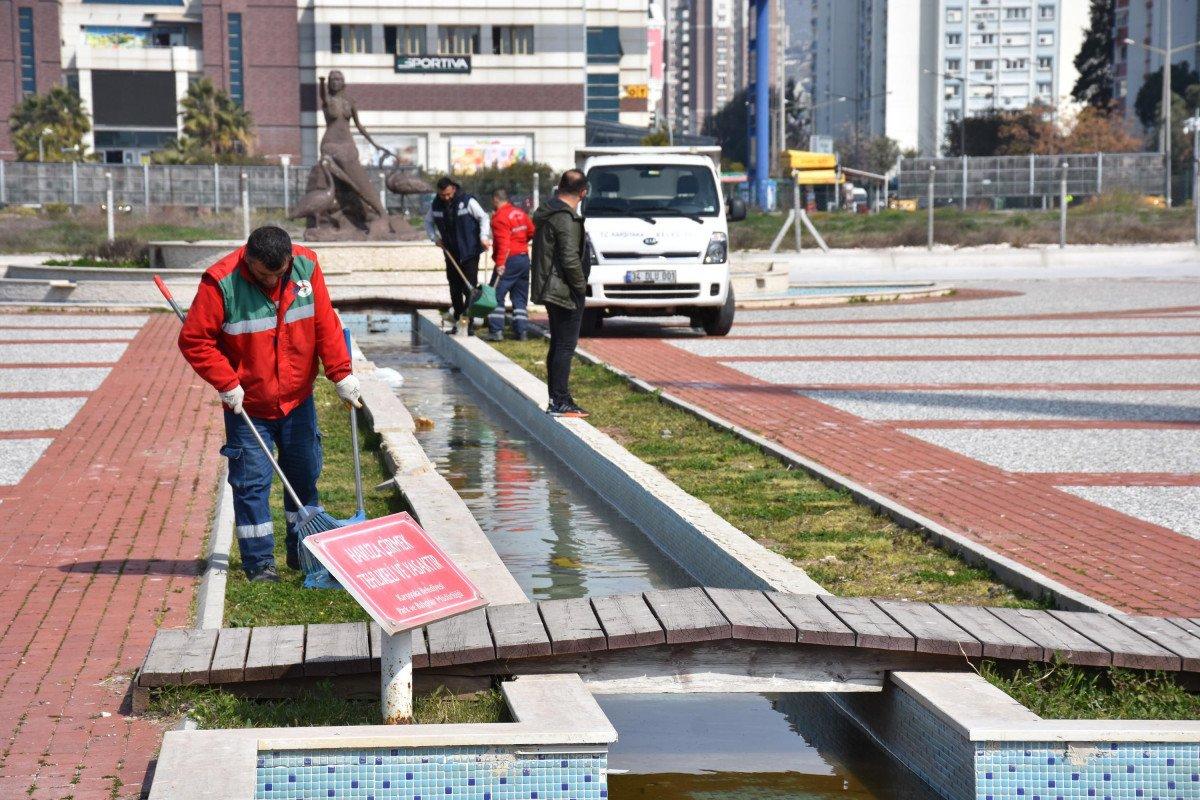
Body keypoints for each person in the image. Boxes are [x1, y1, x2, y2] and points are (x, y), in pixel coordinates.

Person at [178, 225, 363, 583]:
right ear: (249, 259)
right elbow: (195, 340)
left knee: (305, 476)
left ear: (288, 261)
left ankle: (303, 551)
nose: (271, 282)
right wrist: (226, 382)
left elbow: (325, 322)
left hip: (298, 400)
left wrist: (341, 373)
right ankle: (260, 564)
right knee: (251, 485)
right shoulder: (221, 282)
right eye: (264, 274)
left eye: (278, 274)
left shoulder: (306, 267)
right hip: (249, 407)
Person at [531, 169, 590, 418]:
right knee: (565, 346)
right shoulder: (565, 217)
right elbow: (569, 258)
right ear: (583, 192)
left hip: (552, 287)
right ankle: (561, 401)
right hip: (564, 290)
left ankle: (558, 398)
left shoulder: (549, 212)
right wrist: (580, 287)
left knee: (558, 344)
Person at [424, 177, 492, 334]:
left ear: (453, 189)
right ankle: (458, 320)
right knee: (455, 289)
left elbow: (484, 217)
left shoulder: (467, 201)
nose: (446, 198)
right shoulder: (436, 205)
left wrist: (483, 237)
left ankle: (467, 323)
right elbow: (427, 222)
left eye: (448, 194)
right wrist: (435, 238)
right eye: (443, 195)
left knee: (469, 289)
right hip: (451, 253)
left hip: (469, 252)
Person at [486, 188, 534, 342]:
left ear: (495, 199)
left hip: (508, 260)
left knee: (495, 295)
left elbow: (503, 243)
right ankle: (521, 332)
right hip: (523, 259)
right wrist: (521, 244)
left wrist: (500, 264)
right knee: (520, 297)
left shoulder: (500, 217)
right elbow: (532, 232)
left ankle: (496, 331)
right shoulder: (520, 213)